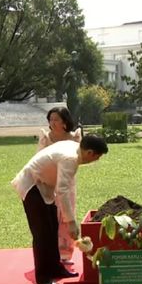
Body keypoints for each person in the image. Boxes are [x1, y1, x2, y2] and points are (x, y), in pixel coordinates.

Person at [11, 135, 109, 284]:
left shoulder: (74, 147)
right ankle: (43, 277)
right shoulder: (70, 159)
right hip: (31, 185)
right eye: (97, 157)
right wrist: (71, 222)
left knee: (52, 228)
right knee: (42, 233)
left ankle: (55, 268)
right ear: (90, 152)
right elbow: (62, 190)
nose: (95, 160)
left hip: (44, 187)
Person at [36, 106, 83, 265]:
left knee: (66, 215)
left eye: (56, 119)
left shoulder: (74, 138)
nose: (53, 122)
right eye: (51, 119)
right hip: (48, 183)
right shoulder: (45, 138)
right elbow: (38, 160)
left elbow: (78, 159)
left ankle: (65, 254)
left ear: (65, 122)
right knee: (50, 218)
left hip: (67, 183)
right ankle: (51, 253)